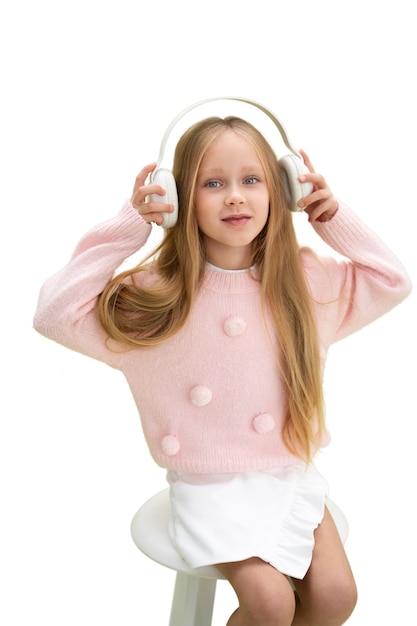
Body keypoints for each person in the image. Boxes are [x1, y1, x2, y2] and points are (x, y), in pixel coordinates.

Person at [33, 111, 411, 626]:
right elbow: (54, 314)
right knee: (270, 603)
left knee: (337, 596)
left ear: (283, 190)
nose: (236, 196)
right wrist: (129, 227)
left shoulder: (304, 283)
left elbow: (391, 280)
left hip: (285, 472)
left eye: (252, 180)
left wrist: (331, 216)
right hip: (207, 485)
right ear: (177, 199)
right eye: (213, 183)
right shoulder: (154, 299)